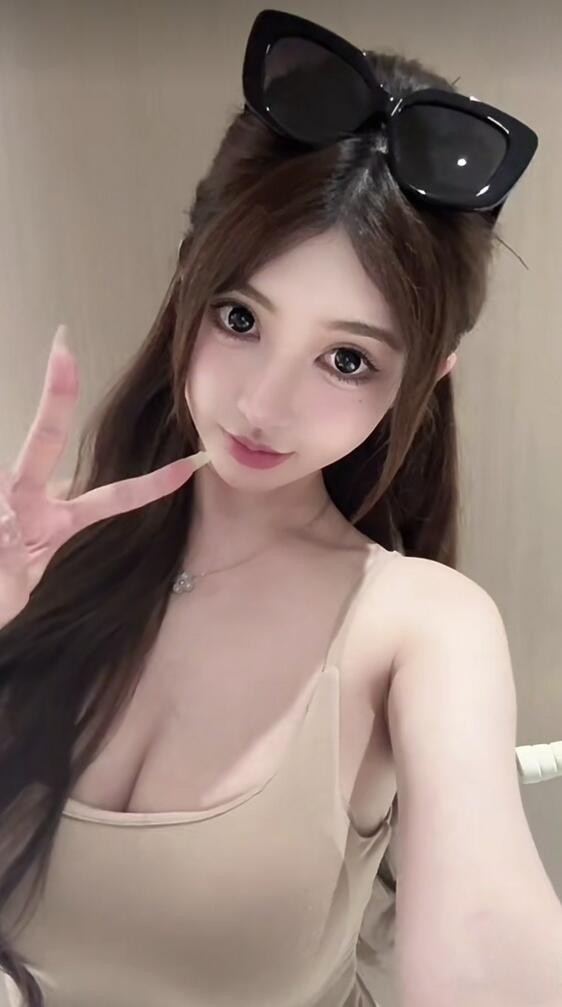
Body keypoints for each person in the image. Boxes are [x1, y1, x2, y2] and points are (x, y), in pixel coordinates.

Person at [0, 9, 538, 1007]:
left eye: (347, 359)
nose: (262, 404)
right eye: (241, 316)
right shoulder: (44, 554)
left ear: (427, 376)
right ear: (189, 280)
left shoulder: (422, 625)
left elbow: (485, 938)